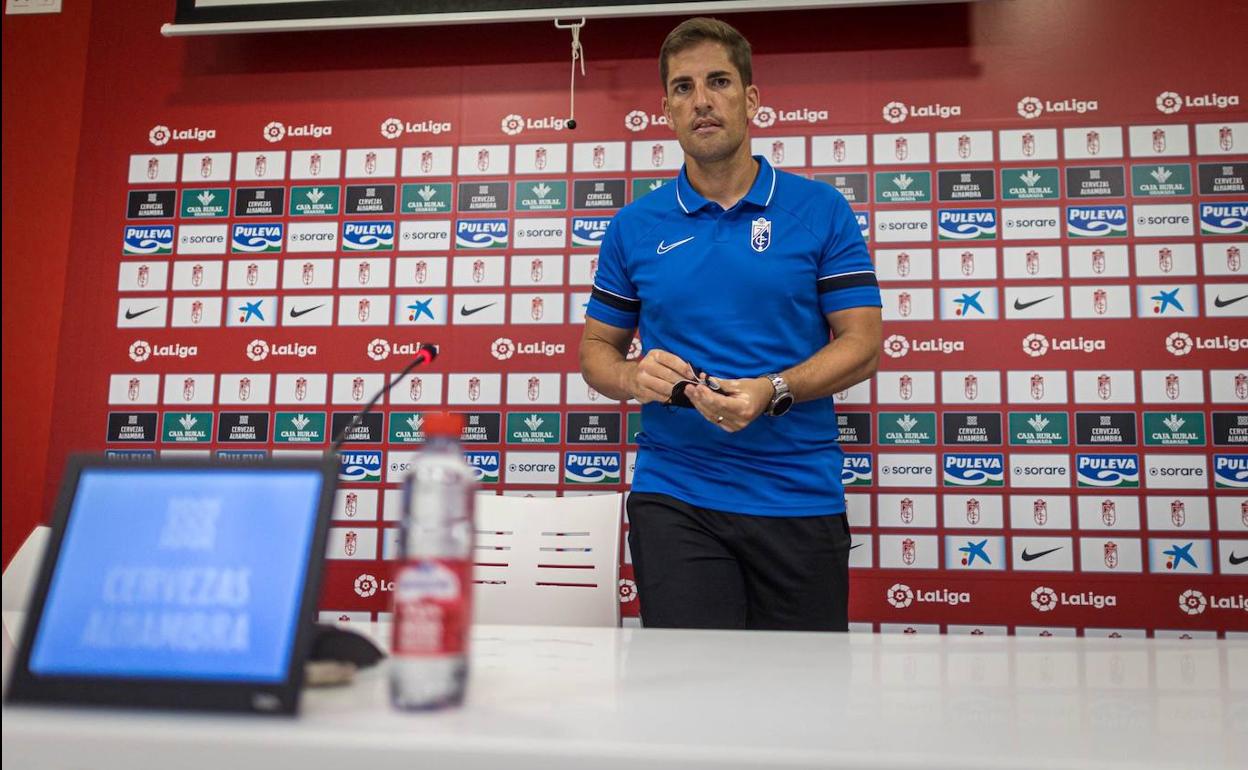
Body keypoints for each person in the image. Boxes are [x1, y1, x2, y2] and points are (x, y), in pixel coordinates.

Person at [579, 17, 882, 632]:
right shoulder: (635, 226)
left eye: (718, 82)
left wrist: (774, 390)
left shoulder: (820, 209)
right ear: (666, 109)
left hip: (798, 494)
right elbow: (595, 352)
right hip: (677, 495)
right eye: (683, 88)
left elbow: (863, 345)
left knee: (802, 704)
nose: (702, 100)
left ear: (750, 100)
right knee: (691, 700)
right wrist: (634, 376)